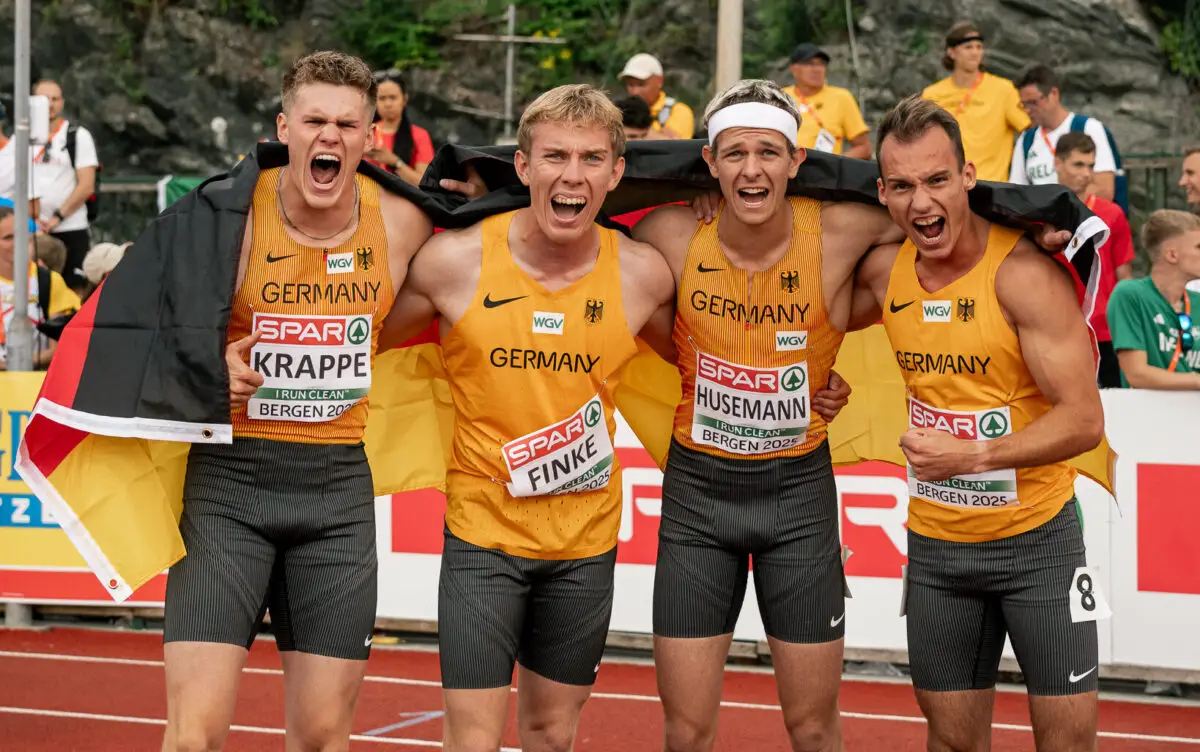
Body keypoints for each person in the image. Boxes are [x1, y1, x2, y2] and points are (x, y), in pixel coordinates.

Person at [628, 79, 941, 752]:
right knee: (685, 730)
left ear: (798, 161)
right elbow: (579, 226)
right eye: (734, 154)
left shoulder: (843, 231)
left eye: (769, 152)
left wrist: (1050, 226)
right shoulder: (671, 233)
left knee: (813, 727)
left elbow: (939, 213)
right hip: (697, 500)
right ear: (709, 162)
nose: (752, 170)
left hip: (797, 498)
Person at [373, 83, 679, 752]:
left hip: (585, 544)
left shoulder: (643, 275)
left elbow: (710, 356)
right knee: (473, 738)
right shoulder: (452, 264)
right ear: (524, 166)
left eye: (592, 159)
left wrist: (819, 383)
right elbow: (356, 342)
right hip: (481, 538)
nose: (573, 175)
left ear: (616, 173)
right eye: (555, 157)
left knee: (551, 732)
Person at [161, 50, 434, 752]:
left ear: (370, 135)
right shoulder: (226, 215)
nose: (329, 136)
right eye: (314, 121)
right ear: (284, 129)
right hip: (229, 489)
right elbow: (141, 324)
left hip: (336, 498)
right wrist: (209, 367)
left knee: (320, 738)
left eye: (346, 123)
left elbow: (497, 255)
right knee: (194, 736)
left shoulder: (404, 223)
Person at [847, 94, 1106, 752]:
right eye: (902, 186)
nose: (921, 203)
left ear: (968, 176)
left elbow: (1084, 420)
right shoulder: (883, 273)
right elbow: (793, 303)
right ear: (882, 193)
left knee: (1068, 744)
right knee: (952, 743)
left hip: (1038, 545)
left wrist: (973, 457)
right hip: (938, 551)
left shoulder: (1024, 276)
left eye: (937, 180)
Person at [1053, 132, 1133, 388]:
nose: (1086, 174)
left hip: (1105, 330)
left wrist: (1128, 326)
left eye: (1091, 166)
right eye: (1078, 164)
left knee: (1114, 404)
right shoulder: (1041, 214)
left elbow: (1124, 275)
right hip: (1056, 327)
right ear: (1057, 163)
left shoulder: (1113, 214)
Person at [922, 22, 1030, 182]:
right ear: (951, 52)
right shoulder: (932, 94)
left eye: (979, 47)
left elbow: (1030, 130)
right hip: (948, 184)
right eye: (968, 47)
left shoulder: (1003, 89)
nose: (975, 53)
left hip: (991, 186)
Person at [1107, 210, 1200, 389]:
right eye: (1199, 247)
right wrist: (1196, 381)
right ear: (1172, 255)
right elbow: (1137, 374)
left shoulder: (1197, 302)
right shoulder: (1130, 295)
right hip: (1148, 407)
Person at [1010, 64, 1118, 203]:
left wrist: (1056, 206)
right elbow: (1017, 194)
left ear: (1054, 94)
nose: (1027, 110)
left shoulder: (1089, 128)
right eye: (1024, 104)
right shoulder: (1026, 140)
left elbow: (1104, 190)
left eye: (1033, 102)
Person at [31, 79, 99, 292]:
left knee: (75, 289)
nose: (50, 104)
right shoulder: (22, 137)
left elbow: (86, 184)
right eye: (44, 99)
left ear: (62, 103)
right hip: (33, 229)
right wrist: (32, 219)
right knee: (35, 290)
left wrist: (57, 218)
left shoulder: (77, 136)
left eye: (55, 99)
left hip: (71, 226)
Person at [0, 205, 80, 370]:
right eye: (8, 238)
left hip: (35, 379)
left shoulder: (49, 280)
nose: (17, 244)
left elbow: (59, 346)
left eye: (21, 236)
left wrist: (20, 364)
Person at [782, 43, 871, 158]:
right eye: (809, 63)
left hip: (826, 168)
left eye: (821, 64)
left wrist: (835, 164)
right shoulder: (781, 97)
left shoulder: (842, 97)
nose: (817, 69)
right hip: (787, 166)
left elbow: (864, 147)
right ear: (794, 69)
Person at [364, 69, 435, 187]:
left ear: (405, 99)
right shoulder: (366, 132)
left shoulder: (419, 135)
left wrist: (394, 162)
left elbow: (425, 184)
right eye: (382, 98)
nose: (388, 104)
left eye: (393, 98)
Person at [619, 53, 696, 139]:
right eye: (630, 85)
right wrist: (661, 137)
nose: (635, 91)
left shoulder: (678, 111)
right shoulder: (618, 111)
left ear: (660, 81)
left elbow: (678, 145)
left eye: (641, 85)